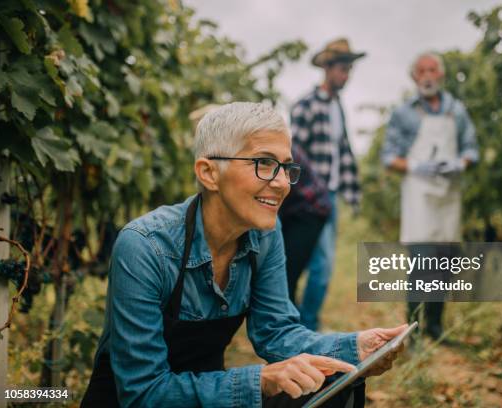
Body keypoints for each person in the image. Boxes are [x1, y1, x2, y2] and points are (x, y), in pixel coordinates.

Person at [81, 102, 408, 408]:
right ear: (209, 173)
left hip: (206, 396)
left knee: (332, 380)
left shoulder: (266, 234)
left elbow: (275, 331)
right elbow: (144, 393)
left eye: (285, 167)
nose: (282, 183)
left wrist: (355, 348)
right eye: (264, 163)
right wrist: (260, 381)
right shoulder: (144, 247)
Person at [381, 53, 479, 340]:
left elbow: (471, 148)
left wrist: (460, 164)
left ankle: (435, 328)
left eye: (432, 70)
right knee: (422, 263)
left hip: (448, 196)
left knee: (444, 262)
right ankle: (411, 330)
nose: (427, 75)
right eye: (421, 70)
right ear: (414, 77)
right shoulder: (404, 113)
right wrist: (416, 166)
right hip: (419, 196)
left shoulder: (457, 111)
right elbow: (389, 157)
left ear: (441, 75)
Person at [290, 38, 364, 331]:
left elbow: (342, 152)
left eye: (349, 70)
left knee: (318, 264)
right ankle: (305, 325)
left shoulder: (338, 108)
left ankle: (303, 321)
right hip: (308, 199)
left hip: (329, 196)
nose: (346, 76)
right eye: (342, 69)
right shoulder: (305, 106)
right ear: (328, 69)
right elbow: (294, 154)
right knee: (315, 264)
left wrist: (353, 192)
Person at [279, 144, 332, 305]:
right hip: (292, 209)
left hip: (310, 210)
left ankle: (289, 324)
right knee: (283, 274)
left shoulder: (281, 148)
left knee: (287, 275)